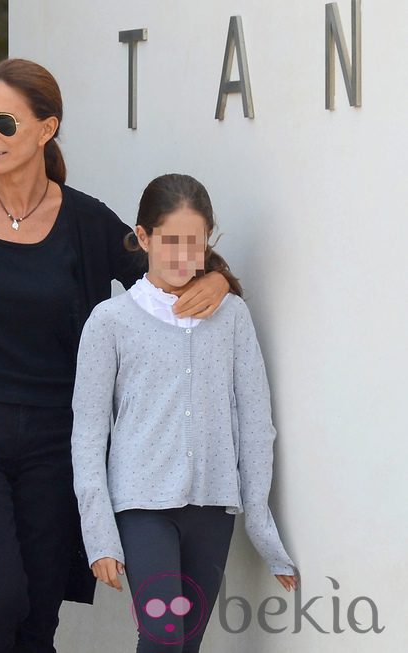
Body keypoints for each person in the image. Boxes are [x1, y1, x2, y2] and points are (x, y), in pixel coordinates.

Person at [0, 59, 231, 652]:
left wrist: (220, 281)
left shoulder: (86, 221)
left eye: (3, 122)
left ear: (47, 130)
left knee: (38, 612)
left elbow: (165, 269)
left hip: (56, 436)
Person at [71, 173, 298, 652]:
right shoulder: (109, 322)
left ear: (209, 240)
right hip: (141, 508)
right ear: (143, 237)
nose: (182, 255)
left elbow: (256, 422)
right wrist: (100, 537)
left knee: (187, 643)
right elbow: (88, 435)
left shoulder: (232, 316)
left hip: (213, 506)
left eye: (194, 242)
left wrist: (259, 521)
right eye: (170, 240)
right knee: (162, 635)